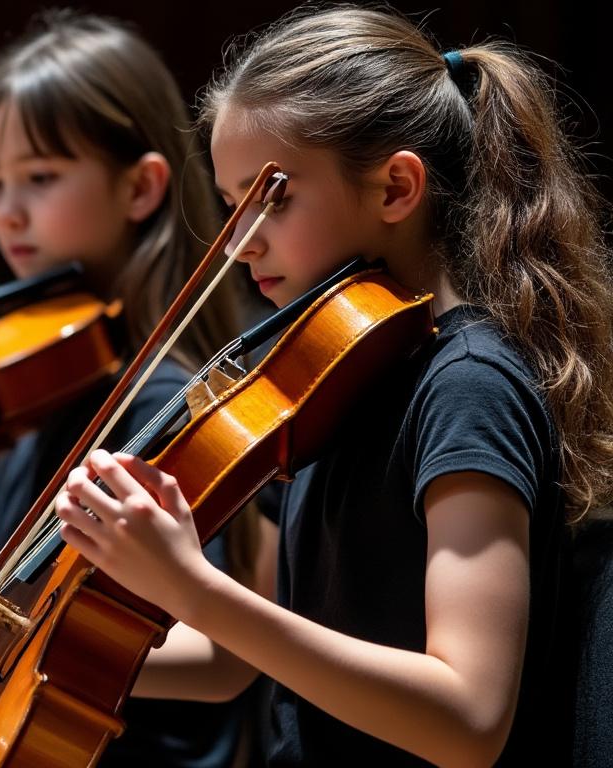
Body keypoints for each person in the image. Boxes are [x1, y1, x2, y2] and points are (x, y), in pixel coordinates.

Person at [52, 7, 613, 765]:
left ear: (396, 188)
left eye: (272, 198)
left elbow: (468, 717)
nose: (242, 241)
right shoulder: (326, 381)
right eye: (231, 205)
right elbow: (233, 660)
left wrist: (195, 590)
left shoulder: (468, 387)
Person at [0, 12, 271, 767]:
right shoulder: (45, 382)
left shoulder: (170, 399)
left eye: (39, 176)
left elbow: (225, 661)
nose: (7, 210)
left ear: (141, 188)